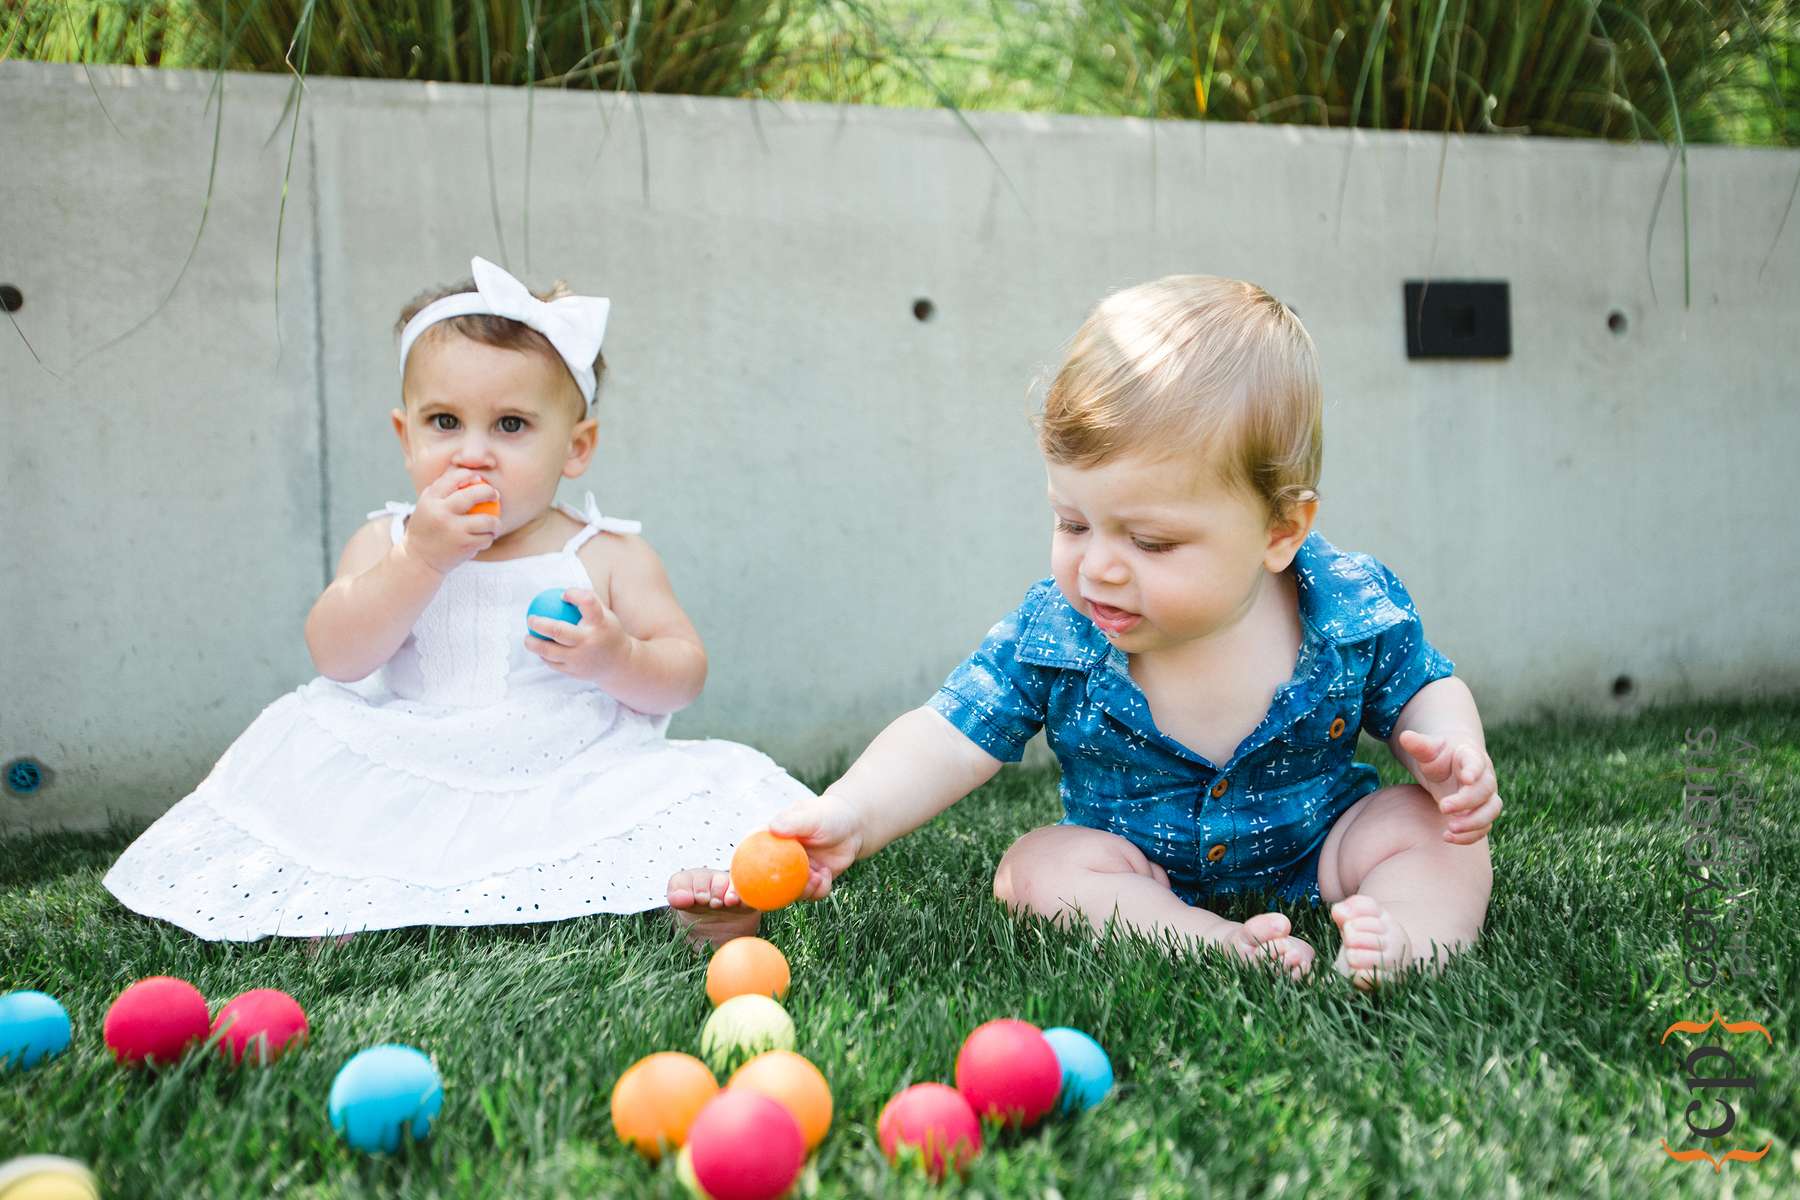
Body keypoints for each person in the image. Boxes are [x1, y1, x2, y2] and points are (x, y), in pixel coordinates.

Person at [670, 276, 1499, 987]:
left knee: (1428, 828)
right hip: (1131, 864)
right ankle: (1202, 942)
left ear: (1280, 531)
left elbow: (1423, 684)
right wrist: (850, 813)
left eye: (1150, 542)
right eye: (1073, 523)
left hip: (1326, 844)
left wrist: (1449, 747)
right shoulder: (1058, 630)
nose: (1099, 568)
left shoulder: (1347, 604)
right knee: (1036, 867)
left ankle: (1407, 937)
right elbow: (948, 733)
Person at [105, 257, 811, 941]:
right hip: (414, 755)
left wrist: (615, 656)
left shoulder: (604, 553)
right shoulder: (388, 538)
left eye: (511, 425)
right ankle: (337, 895)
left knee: (679, 796)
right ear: (405, 436)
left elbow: (682, 672)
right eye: (445, 422)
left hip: (565, 765)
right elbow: (337, 656)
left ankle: (699, 900)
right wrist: (420, 559)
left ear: (576, 447)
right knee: (321, 767)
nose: (472, 452)